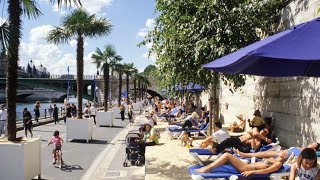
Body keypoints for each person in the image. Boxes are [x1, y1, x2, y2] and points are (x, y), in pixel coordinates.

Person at [196, 149, 287, 177]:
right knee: (225, 158)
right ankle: (209, 168)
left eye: (284, 152)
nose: (281, 151)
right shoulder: (272, 158)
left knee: (227, 155)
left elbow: (267, 171)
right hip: (247, 165)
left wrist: (252, 172)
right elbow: (264, 153)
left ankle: (207, 169)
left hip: (247, 168)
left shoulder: (278, 164)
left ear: (284, 156)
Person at [236, 142, 320, 160]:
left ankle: (245, 155)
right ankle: (245, 155)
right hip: (284, 152)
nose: (311, 143)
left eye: (313, 143)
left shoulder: (310, 153)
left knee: (264, 154)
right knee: (264, 154)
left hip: (284, 156)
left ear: (314, 149)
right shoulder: (303, 148)